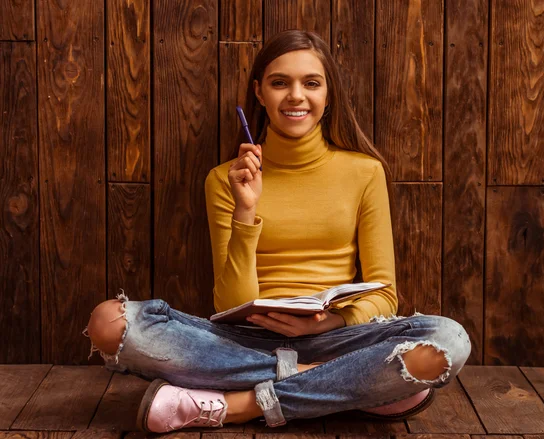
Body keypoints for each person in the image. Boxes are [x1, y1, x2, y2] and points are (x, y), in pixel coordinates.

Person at [83, 29, 471, 434]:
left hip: (339, 336)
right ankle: (345, 384)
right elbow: (232, 300)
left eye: (311, 83)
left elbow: (385, 293)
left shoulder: (364, 172)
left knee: (448, 340)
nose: (296, 96)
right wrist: (246, 210)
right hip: (241, 341)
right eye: (280, 82)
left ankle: (236, 405)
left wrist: (328, 324)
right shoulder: (223, 180)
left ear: (328, 95)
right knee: (110, 322)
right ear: (259, 93)